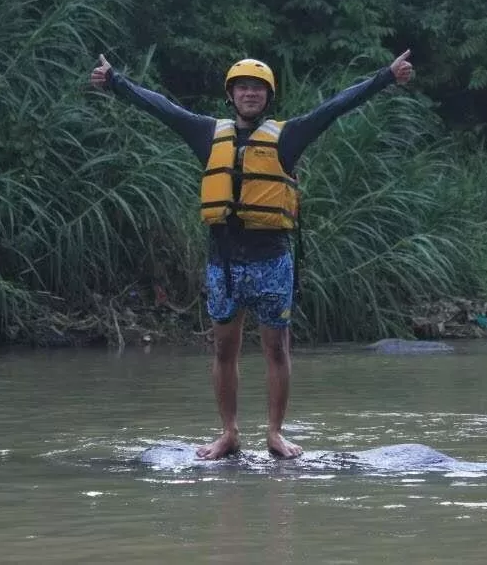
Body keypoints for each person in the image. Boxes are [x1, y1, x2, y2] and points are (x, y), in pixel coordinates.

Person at [89, 51, 414, 459]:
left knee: (276, 349)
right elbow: (163, 108)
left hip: (272, 262)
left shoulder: (289, 136)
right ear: (231, 94)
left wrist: (385, 76)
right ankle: (229, 433)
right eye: (242, 87)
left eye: (257, 88)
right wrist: (116, 81)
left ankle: (275, 433)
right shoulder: (207, 134)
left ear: (268, 96)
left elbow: (335, 107)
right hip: (223, 264)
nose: (249, 93)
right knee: (224, 350)